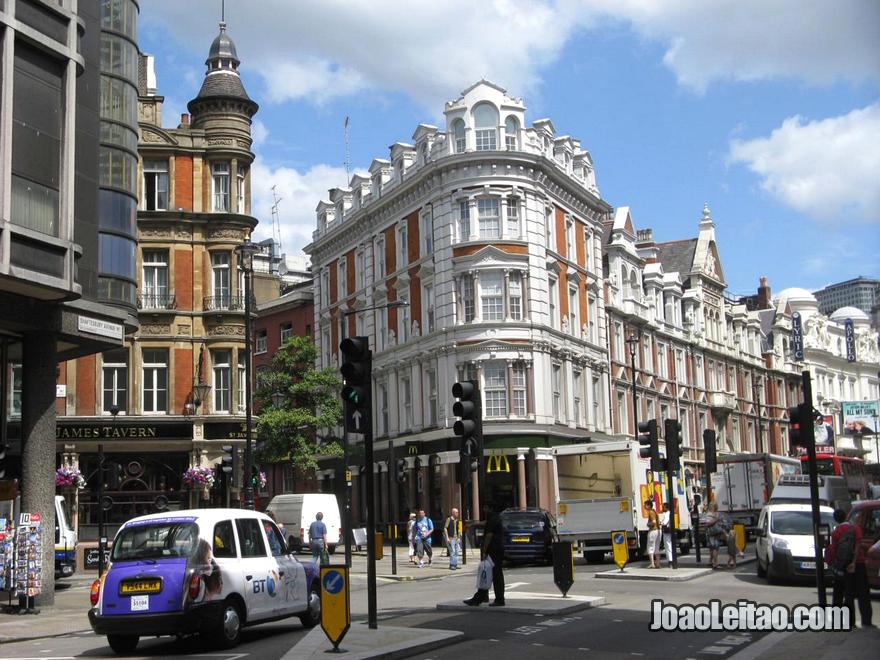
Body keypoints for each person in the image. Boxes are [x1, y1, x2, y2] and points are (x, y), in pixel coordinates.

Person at [825, 508, 872, 628]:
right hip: (858, 564)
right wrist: (854, 562)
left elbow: (834, 550)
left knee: (848, 594)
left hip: (844, 566)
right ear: (846, 516)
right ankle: (866, 621)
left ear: (835, 519)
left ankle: (850, 622)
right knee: (863, 593)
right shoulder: (855, 528)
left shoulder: (836, 533)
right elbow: (858, 545)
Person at [464, 502, 505, 606]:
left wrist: (484, 552)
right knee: (490, 574)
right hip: (498, 550)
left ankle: (491, 598)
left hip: (493, 550)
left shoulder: (493, 519)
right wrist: (473, 524)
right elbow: (485, 523)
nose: (484, 510)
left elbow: (488, 536)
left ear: (491, 508)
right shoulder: (496, 518)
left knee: (489, 574)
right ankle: (484, 597)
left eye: (486, 508)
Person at [704, 501, 723, 569]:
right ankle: (716, 563)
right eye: (716, 506)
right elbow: (708, 523)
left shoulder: (713, 513)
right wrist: (716, 519)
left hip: (714, 533)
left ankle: (711, 562)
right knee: (715, 548)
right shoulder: (710, 514)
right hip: (713, 533)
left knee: (712, 548)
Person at [645, 499, 661, 568]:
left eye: (645, 505)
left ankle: (652, 564)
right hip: (658, 530)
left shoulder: (651, 512)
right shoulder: (655, 511)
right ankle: (657, 563)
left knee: (650, 547)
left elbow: (654, 522)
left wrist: (648, 524)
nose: (644, 506)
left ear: (649, 505)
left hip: (653, 531)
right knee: (657, 547)